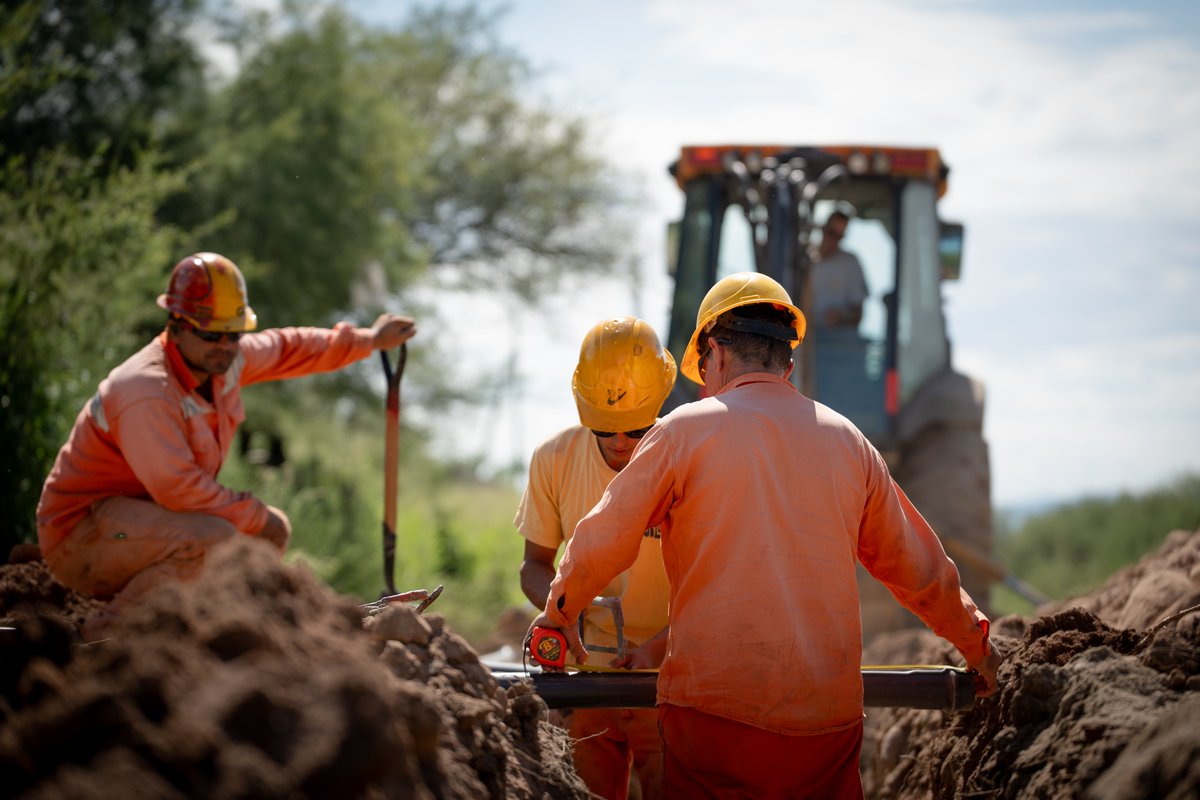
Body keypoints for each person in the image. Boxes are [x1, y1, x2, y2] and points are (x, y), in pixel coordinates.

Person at [529, 273, 1002, 799]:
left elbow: (604, 538)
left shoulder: (681, 432)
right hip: (827, 724)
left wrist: (558, 617)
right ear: (788, 363)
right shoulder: (851, 443)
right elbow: (919, 567)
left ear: (715, 353)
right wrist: (974, 644)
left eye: (703, 368)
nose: (704, 383)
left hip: (712, 718)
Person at [36, 252, 417, 641]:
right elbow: (177, 488)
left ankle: (202, 631)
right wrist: (254, 517)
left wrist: (370, 339)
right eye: (211, 334)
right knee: (217, 537)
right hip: (81, 537)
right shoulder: (145, 389)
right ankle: (104, 637)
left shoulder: (221, 363)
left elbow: (290, 348)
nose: (224, 345)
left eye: (233, 334)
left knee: (257, 535)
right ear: (177, 325)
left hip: (136, 525)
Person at [515, 316, 676, 800]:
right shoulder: (555, 458)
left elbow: (718, 584)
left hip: (670, 678)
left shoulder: (687, 458)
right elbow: (534, 565)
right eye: (606, 432)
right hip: (587, 678)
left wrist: (661, 648)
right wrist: (563, 610)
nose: (622, 443)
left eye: (635, 429)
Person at [811, 209, 869, 328]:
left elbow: (858, 314)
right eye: (831, 233)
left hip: (838, 341)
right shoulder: (804, 260)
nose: (834, 240)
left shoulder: (850, 263)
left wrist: (842, 316)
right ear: (823, 229)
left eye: (839, 237)